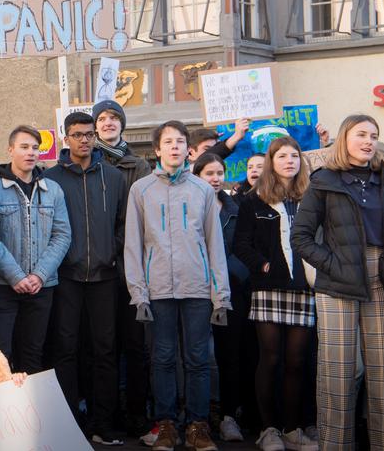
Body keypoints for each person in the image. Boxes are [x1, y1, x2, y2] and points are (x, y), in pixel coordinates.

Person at [125, 120, 231, 451]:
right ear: (156, 150)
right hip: (157, 290)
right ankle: (167, 424)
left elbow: (215, 245)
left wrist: (221, 296)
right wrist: (138, 293)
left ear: (188, 149)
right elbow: (134, 244)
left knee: (199, 358)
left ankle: (198, 425)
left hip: (198, 288)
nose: (175, 146)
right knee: (162, 358)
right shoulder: (140, 190)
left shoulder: (202, 190)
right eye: (168, 142)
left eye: (180, 141)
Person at [292, 114, 384, 451]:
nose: (369, 141)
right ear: (345, 138)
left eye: (374, 135)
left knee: (383, 375)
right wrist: (332, 266)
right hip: (337, 282)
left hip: (381, 280)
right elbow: (300, 237)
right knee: (338, 375)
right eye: (361, 134)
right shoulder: (324, 181)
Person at [43, 111, 126, 446]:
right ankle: (69, 422)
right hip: (66, 276)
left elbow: (123, 223)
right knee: (65, 350)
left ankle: (103, 423)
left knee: (105, 350)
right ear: (66, 138)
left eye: (89, 134)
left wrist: (112, 250)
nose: (84, 140)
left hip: (105, 276)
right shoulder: (51, 179)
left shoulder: (114, 177)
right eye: (77, 134)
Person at [233, 138, 318, 451]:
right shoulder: (252, 200)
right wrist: (264, 266)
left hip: (303, 289)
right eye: (282, 156)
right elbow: (241, 244)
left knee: (297, 361)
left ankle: (293, 429)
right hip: (268, 289)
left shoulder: (312, 197)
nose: (290, 161)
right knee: (270, 359)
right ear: (271, 161)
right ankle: (269, 429)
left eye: (295, 156)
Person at [91, 99, 152, 436]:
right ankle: (105, 414)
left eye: (114, 117)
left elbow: (139, 215)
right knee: (102, 345)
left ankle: (136, 413)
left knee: (135, 343)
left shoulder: (138, 165)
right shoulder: (87, 161)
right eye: (102, 118)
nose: (108, 122)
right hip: (98, 267)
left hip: (131, 265)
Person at [0, 125, 70, 375]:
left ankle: (30, 412)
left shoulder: (52, 189)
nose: (31, 152)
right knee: (1, 354)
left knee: (34, 354)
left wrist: (38, 275)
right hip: (3, 286)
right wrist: (16, 276)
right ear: (10, 149)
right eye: (24, 147)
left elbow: (62, 235)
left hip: (40, 287)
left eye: (35, 148)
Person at [192, 153, 254, 443]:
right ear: (197, 176)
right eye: (209, 173)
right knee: (197, 356)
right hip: (194, 290)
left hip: (229, 290)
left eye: (219, 173)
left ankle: (229, 416)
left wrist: (226, 275)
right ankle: (198, 416)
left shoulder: (236, 207)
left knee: (230, 354)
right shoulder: (188, 205)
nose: (215, 178)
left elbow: (245, 247)